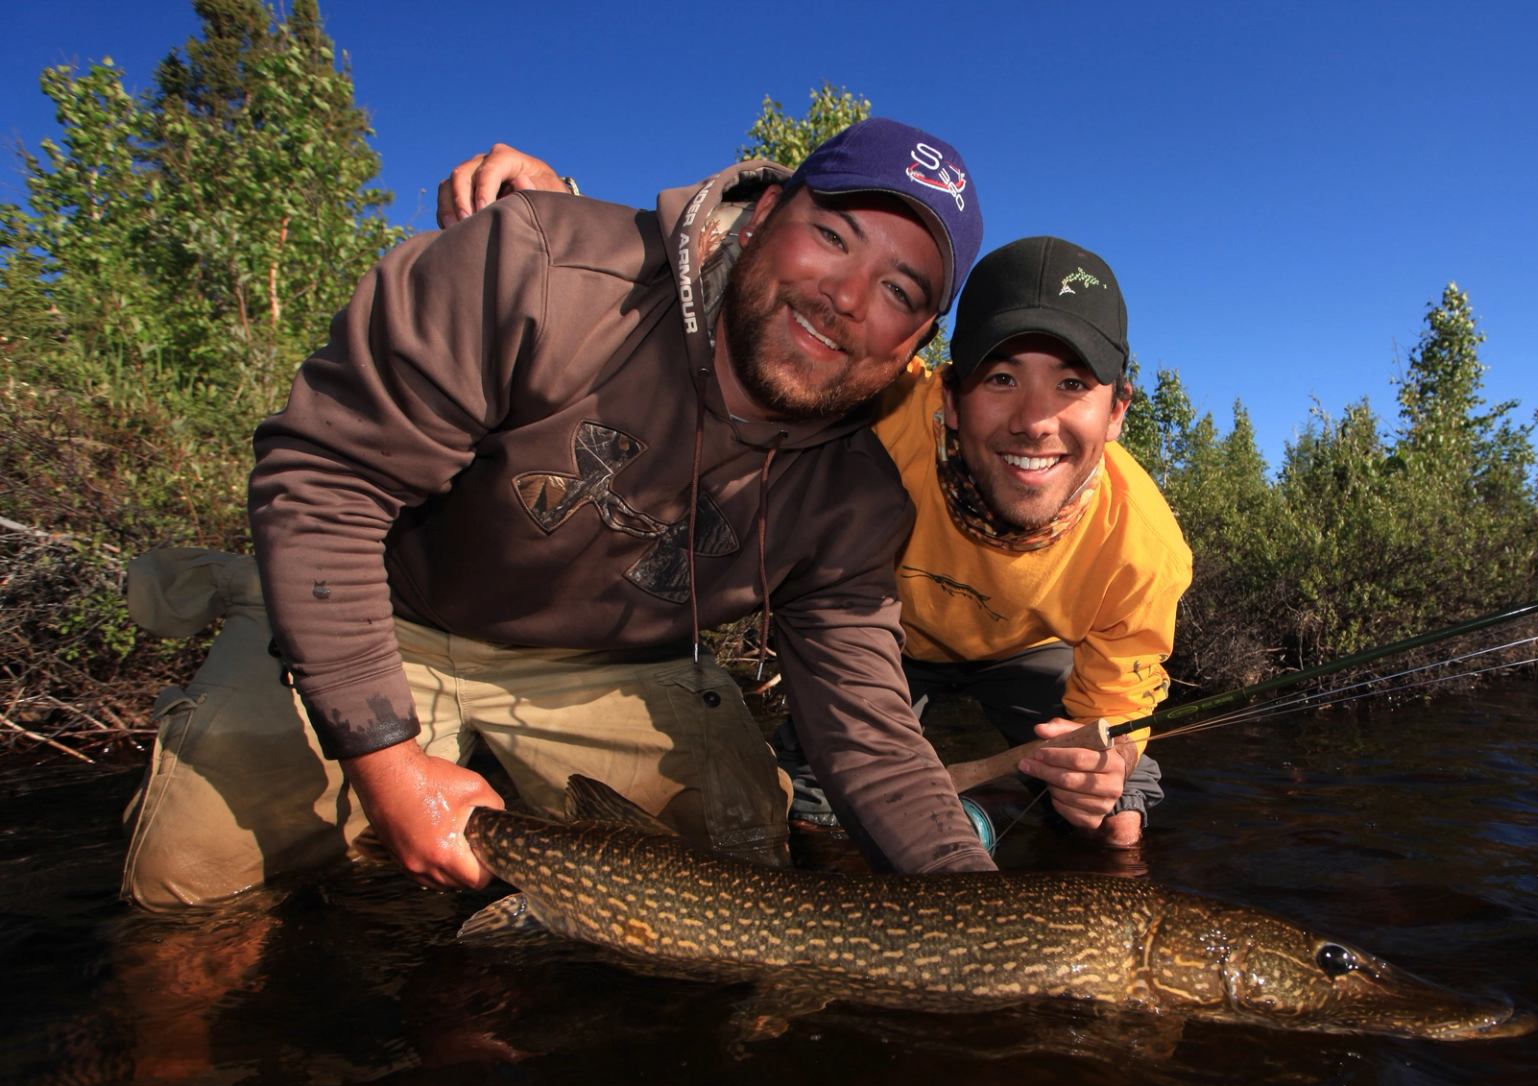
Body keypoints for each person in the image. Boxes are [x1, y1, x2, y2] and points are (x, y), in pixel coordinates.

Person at [121, 118, 998, 911]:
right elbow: (325, 485)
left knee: (741, 852)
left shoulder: (855, 502)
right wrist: (389, 767)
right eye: (833, 236)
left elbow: (871, 739)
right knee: (186, 887)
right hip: (383, 608)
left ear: (915, 342)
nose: (847, 297)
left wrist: (987, 917)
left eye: (899, 292)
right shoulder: (539, 268)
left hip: (600, 665)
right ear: (767, 211)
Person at [441, 149, 1191, 849]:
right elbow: (736, 311)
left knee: (1112, 829)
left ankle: (992, 818)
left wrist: (1104, 767)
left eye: (1072, 384)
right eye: (1001, 378)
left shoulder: (1146, 550)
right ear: (950, 396)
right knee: (810, 822)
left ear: (1118, 410)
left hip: (1028, 657)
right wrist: (565, 207)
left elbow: (1113, 723)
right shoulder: (877, 405)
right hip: (889, 647)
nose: (1034, 419)